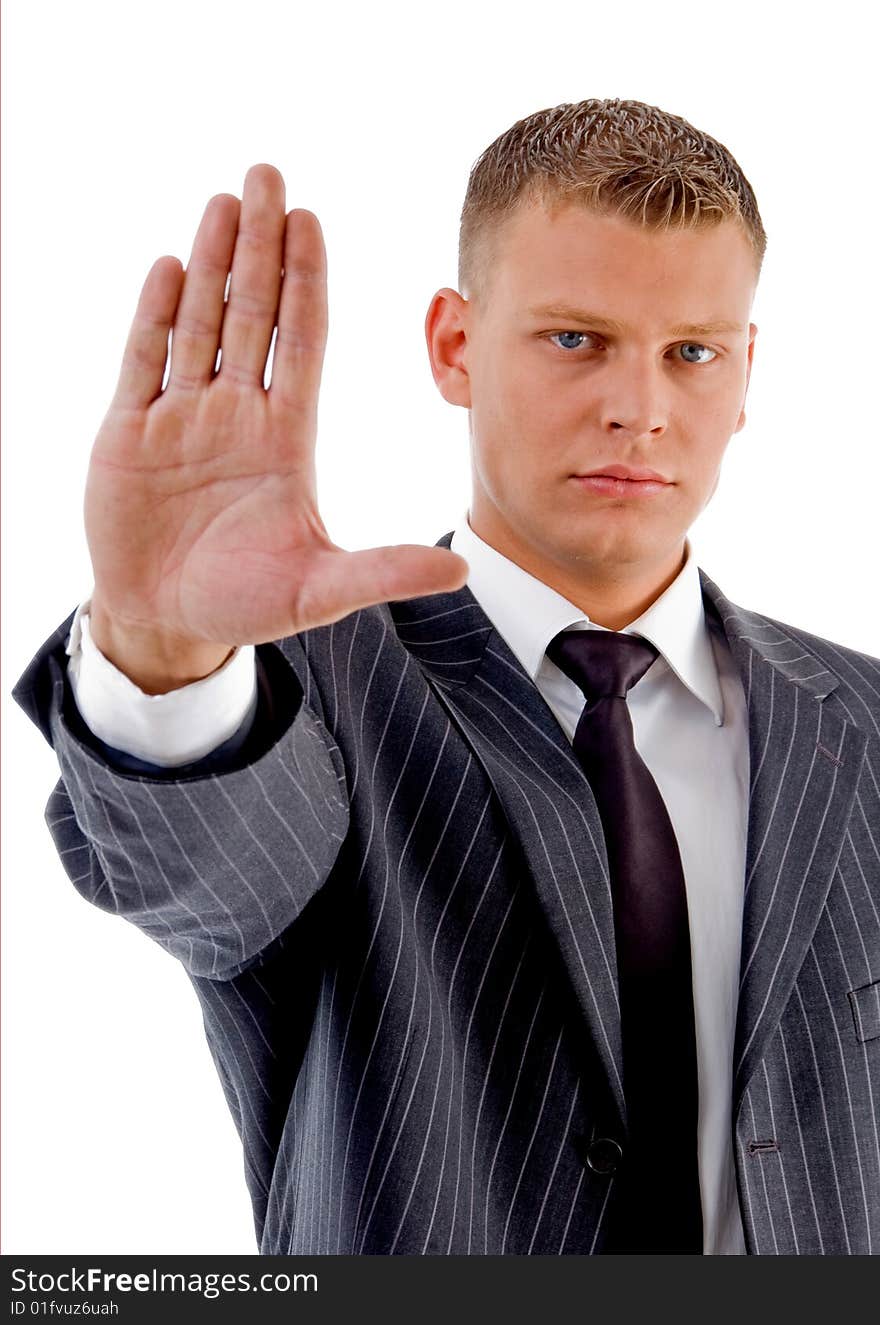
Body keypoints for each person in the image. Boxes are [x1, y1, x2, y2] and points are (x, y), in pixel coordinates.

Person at [13, 97, 880, 1257]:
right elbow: (199, 866)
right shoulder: (303, 693)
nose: (640, 407)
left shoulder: (861, 725)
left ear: (744, 372)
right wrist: (164, 644)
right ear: (453, 347)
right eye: (574, 339)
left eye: (691, 352)